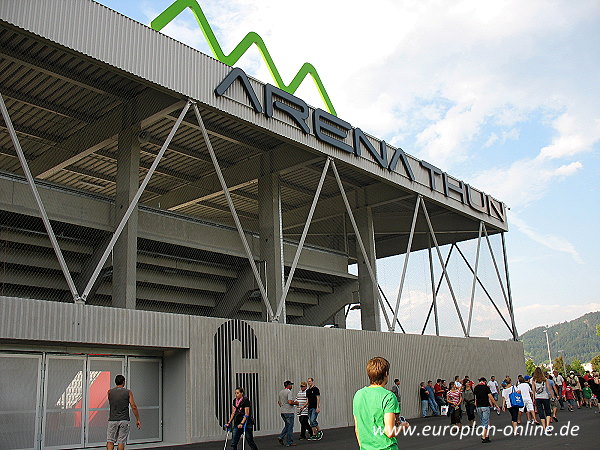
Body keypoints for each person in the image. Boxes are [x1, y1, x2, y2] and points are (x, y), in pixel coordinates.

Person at [352, 357, 408, 450]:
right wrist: (402, 426)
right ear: (386, 373)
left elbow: (357, 429)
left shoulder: (358, 395)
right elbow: (389, 432)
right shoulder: (389, 396)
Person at [106, 374, 141, 450]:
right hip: (124, 420)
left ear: (115, 382)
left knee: (110, 441)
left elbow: (111, 402)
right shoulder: (128, 392)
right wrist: (137, 419)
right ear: (123, 382)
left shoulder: (109, 392)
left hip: (112, 419)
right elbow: (133, 406)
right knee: (121, 441)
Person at [474, 377, 499, 443]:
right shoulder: (486, 387)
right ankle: (483, 436)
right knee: (485, 421)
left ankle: (486, 435)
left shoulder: (476, 387)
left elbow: (475, 397)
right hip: (485, 406)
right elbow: (490, 397)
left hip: (478, 406)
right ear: (484, 381)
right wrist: (496, 405)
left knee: (483, 420)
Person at [278, 381, 299, 447]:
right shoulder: (289, 392)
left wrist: (283, 406)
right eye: (291, 385)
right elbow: (290, 402)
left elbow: (279, 402)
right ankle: (289, 442)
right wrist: (296, 403)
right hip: (289, 411)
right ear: (288, 385)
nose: (291, 386)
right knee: (290, 427)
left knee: (287, 425)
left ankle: (281, 437)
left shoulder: (281, 392)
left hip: (283, 411)